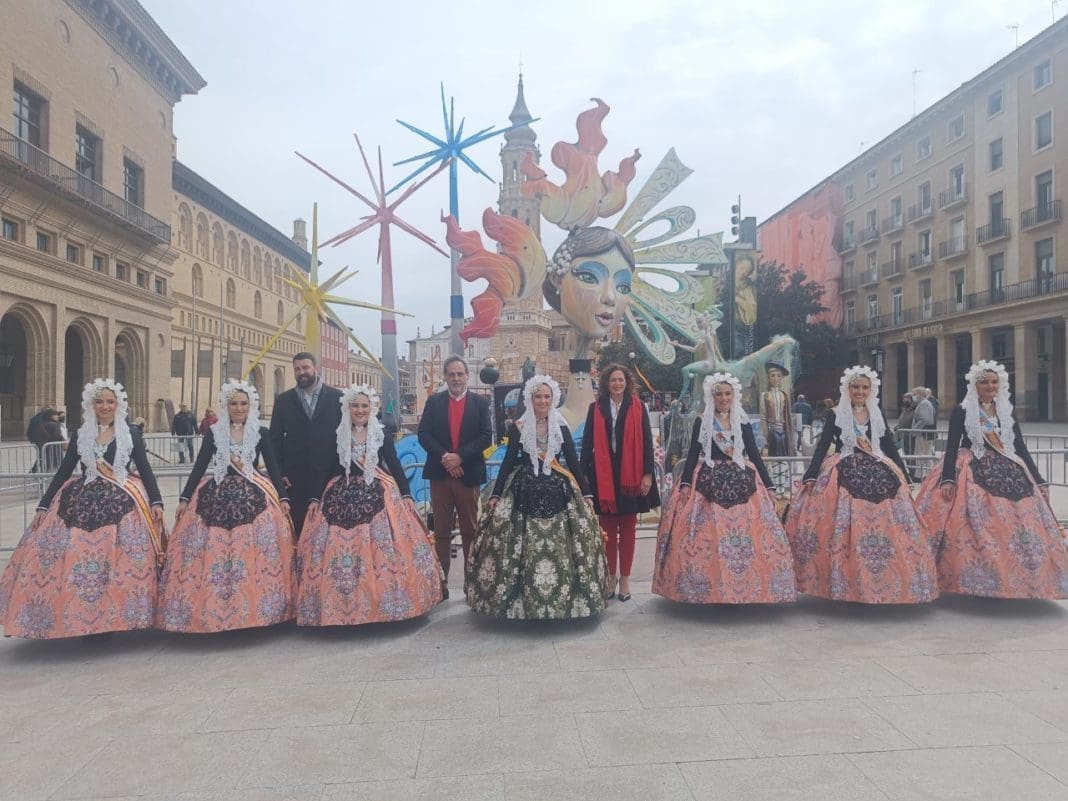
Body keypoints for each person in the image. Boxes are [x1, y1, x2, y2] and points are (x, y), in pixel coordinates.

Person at [0, 379, 165, 638]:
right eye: (99, 402)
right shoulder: (81, 434)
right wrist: (44, 504)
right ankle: (77, 616)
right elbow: (65, 470)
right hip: (81, 498)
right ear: (91, 404)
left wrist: (156, 501)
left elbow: (144, 469)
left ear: (118, 404)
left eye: (110, 402)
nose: (105, 406)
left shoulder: (130, 433)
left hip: (123, 499)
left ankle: (117, 615)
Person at [784, 366, 938, 604]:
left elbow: (888, 445)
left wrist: (905, 475)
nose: (860, 391)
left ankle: (888, 578)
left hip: (879, 467)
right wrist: (811, 473)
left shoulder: (876, 413)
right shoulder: (836, 414)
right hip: (842, 468)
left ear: (871, 390)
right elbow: (823, 445)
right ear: (847, 389)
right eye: (855, 387)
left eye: (865, 387)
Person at [916, 361, 1068, 598]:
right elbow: (952, 445)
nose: (990, 386)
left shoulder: (1006, 410)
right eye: (984, 382)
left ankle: (1023, 578)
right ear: (975, 385)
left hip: (1008, 466)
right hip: (969, 466)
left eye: (994, 382)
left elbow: (1019, 446)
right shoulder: (962, 410)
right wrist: (947, 478)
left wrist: (1038, 479)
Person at [298, 385, 443, 625]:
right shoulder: (337, 434)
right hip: (341, 491)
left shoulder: (381, 434)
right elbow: (323, 468)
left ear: (371, 408)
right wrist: (315, 497)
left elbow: (394, 464)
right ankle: (339, 605)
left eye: (364, 406)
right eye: (355, 406)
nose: (360, 410)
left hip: (378, 488)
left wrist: (406, 494)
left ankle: (385, 601)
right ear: (347, 408)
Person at [156, 381, 295, 632]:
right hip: (216, 495)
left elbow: (273, 468)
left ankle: (255, 610)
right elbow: (199, 466)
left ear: (250, 406)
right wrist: (185, 498)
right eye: (234, 404)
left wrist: (283, 498)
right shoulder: (214, 433)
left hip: (254, 493)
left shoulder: (260, 432)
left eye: (243, 404)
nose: (239, 408)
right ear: (226, 406)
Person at [467, 375, 608, 619]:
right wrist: (497, 493)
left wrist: (586, 492)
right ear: (530, 399)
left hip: (558, 488)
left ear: (553, 398)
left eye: (546, 397)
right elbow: (508, 461)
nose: (542, 401)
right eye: (538, 397)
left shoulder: (561, 426)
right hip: (524, 488)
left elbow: (572, 462)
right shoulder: (519, 427)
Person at [653, 373, 796, 604]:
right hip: (708, 478)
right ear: (712, 396)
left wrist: (769, 484)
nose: (723, 398)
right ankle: (711, 588)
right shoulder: (703, 420)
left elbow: (754, 454)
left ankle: (746, 585)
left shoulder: (742, 421)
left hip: (742, 478)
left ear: (734, 395)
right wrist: (686, 483)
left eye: (728, 394)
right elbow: (692, 454)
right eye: (719, 394)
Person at [580, 363, 660, 602]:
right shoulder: (595, 408)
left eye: (621, 380)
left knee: (627, 529)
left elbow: (647, 442)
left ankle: (625, 579)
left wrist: (648, 473)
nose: (617, 384)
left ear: (627, 383)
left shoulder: (638, 407)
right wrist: (584, 477)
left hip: (631, 474)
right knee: (606, 529)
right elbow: (587, 444)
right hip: (603, 475)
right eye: (613, 380)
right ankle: (611, 577)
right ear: (606, 383)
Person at [417, 355, 492, 596]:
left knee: (470, 530)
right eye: (452, 374)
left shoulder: (480, 403)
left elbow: (486, 436)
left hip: (468, 476)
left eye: (460, 374)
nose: (456, 378)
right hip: (440, 476)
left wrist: (460, 457)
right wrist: (446, 458)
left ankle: (471, 584)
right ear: (445, 377)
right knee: (441, 532)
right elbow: (424, 434)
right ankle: (441, 586)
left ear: (467, 376)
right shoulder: (434, 402)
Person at [269, 352, 343, 536]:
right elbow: (274, 440)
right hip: (295, 476)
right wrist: (280, 473)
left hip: (329, 473)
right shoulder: (283, 401)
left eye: (305, 368)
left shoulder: (337, 398)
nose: (301, 372)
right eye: (297, 369)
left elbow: (345, 437)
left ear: (315, 368)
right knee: (298, 526)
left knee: (327, 528)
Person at [761, 362, 796, 457]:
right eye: (772, 376)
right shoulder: (765, 395)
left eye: (778, 376)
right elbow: (763, 417)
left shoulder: (784, 395)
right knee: (773, 456)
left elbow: (788, 415)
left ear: (781, 378)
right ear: (768, 378)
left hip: (783, 431)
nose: (775, 379)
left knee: (783, 455)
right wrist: (765, 436)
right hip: (771, 431)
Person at [912, 387, 935, 456]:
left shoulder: (924, 403)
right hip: (925, 433)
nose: (913, 396)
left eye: (915, 394)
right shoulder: (924, 403)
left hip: (922, 434)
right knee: (925, 454)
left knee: (921, 454)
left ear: (920, 394)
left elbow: (924, 419)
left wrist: (915, 429)